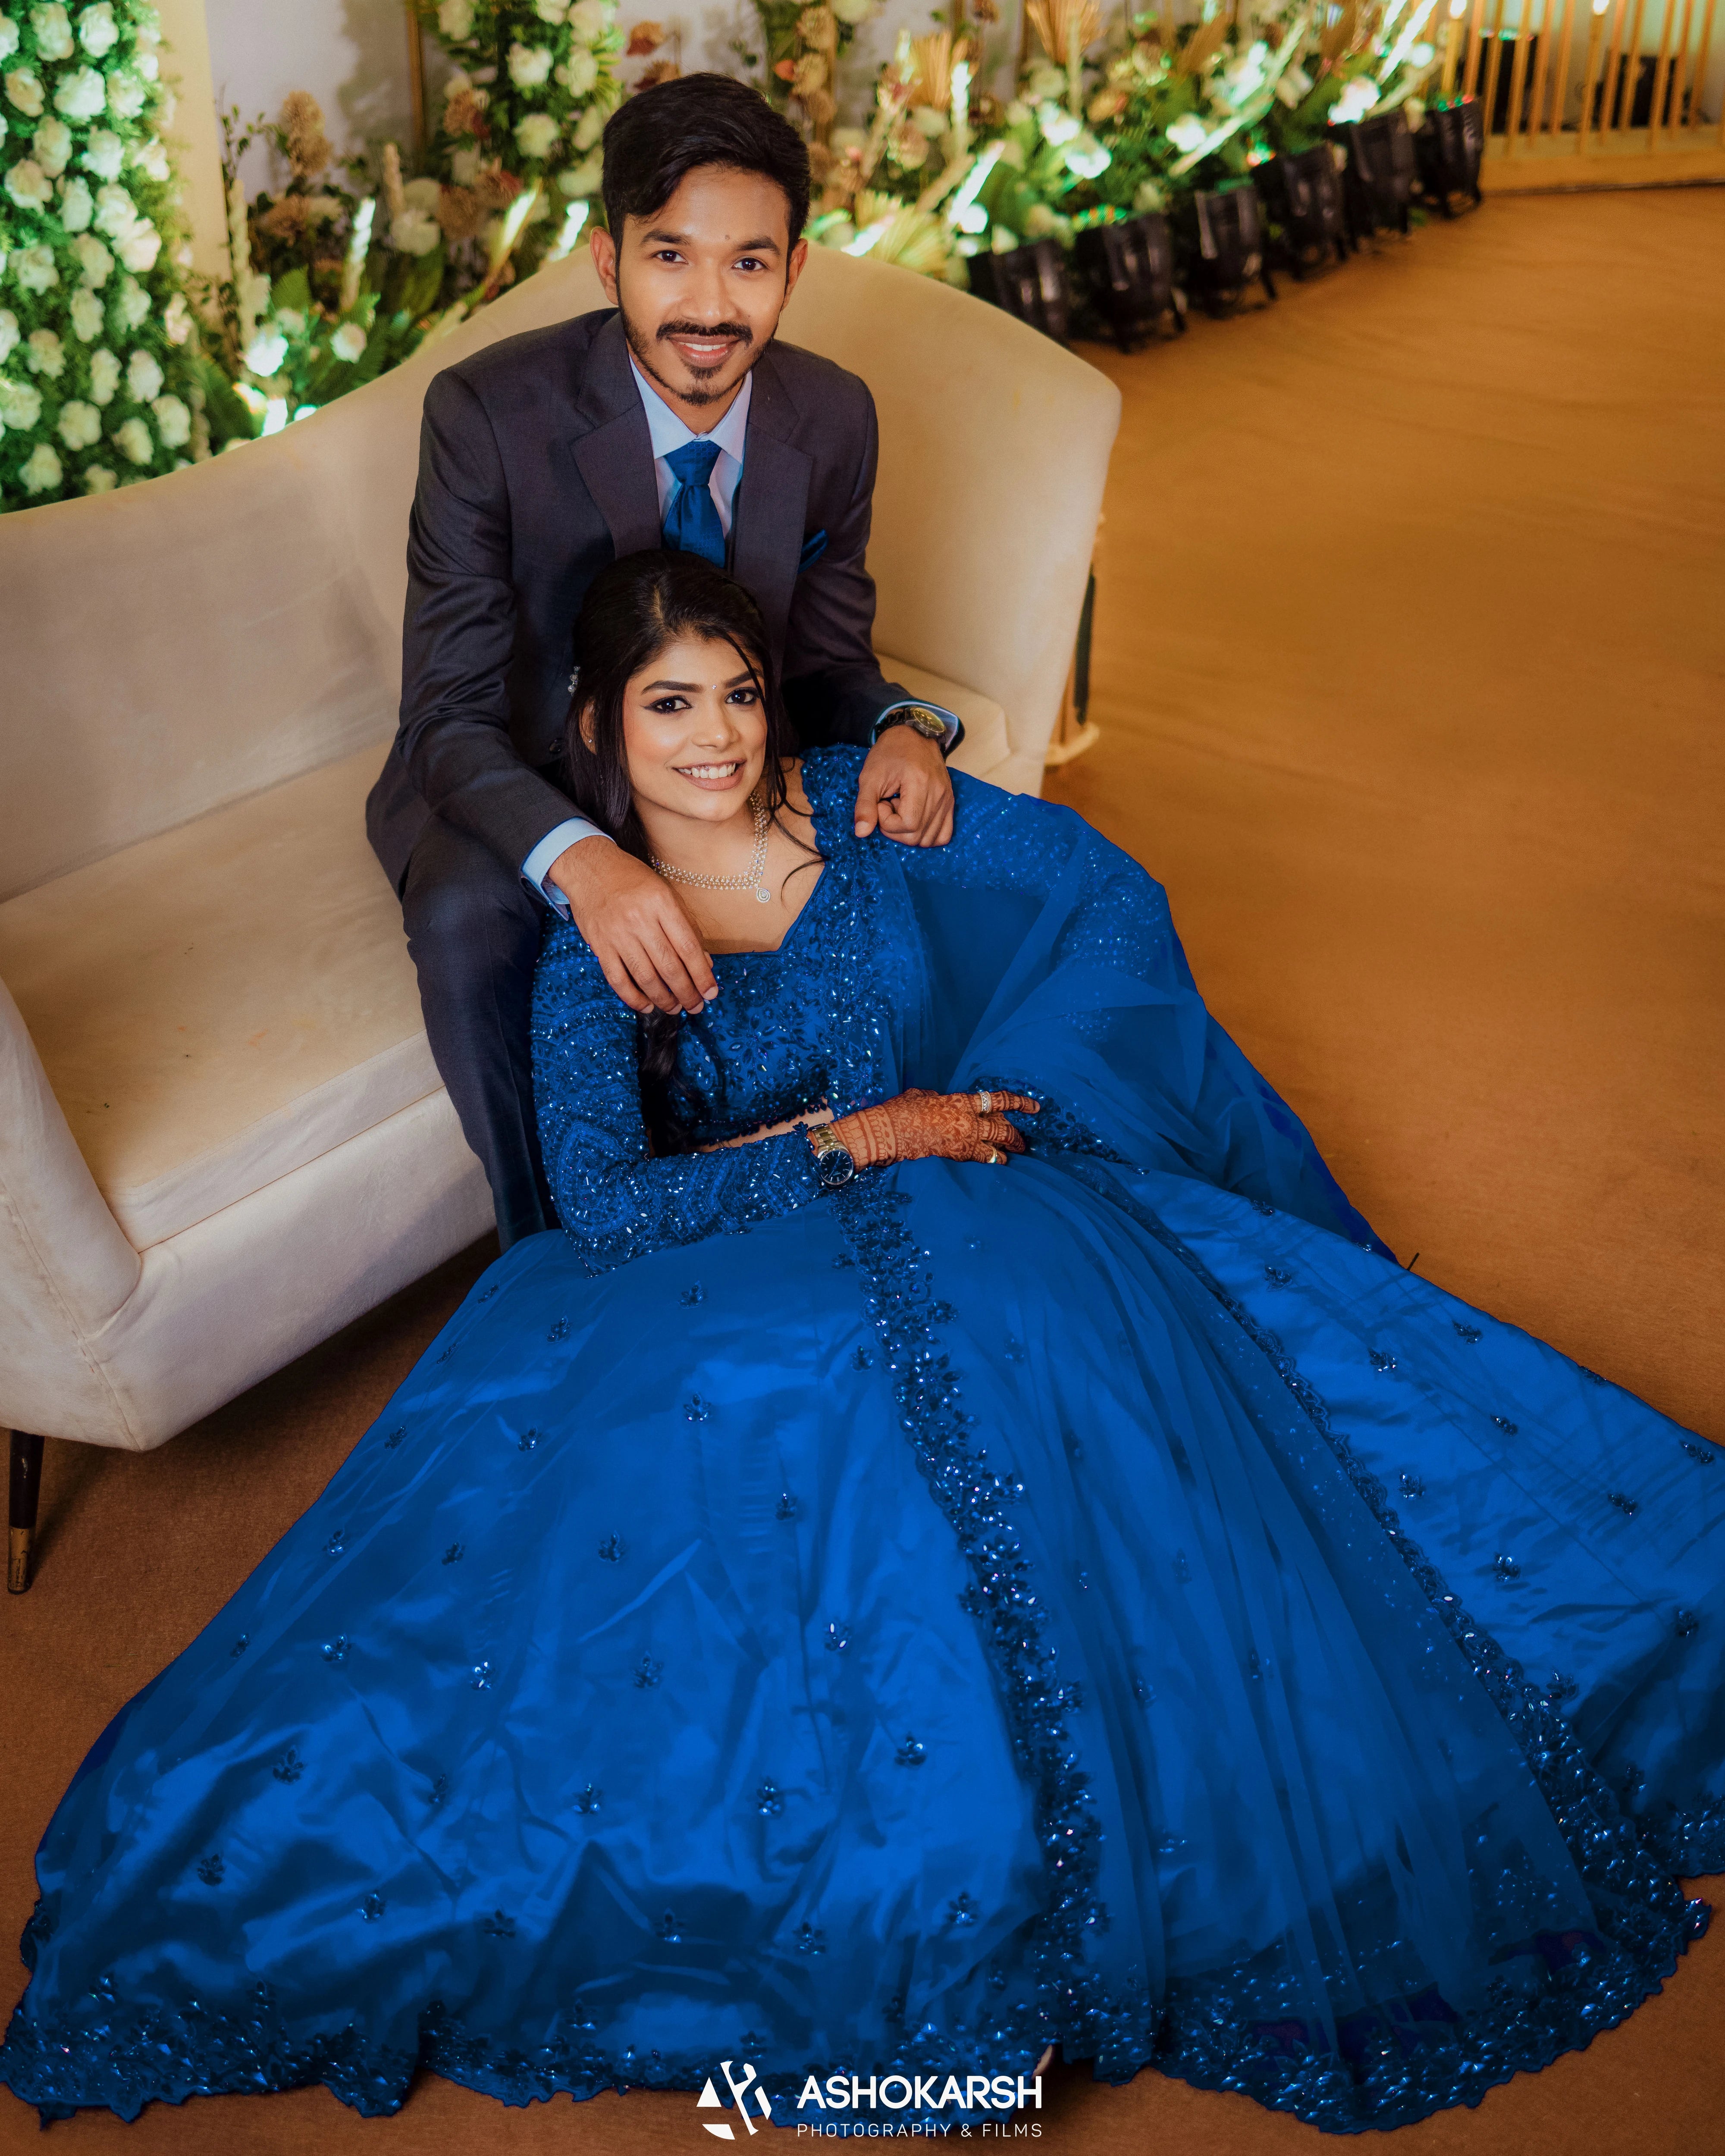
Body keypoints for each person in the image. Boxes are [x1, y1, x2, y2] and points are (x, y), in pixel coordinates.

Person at [5, 554, 1721, 2138]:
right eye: (670, 702)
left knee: (1219, 1438)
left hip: (985, 1213)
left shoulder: (859, 804)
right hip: (745, 1267)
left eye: (739, 691)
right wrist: (857, 1139)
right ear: (600, 729)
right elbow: (603, 1200)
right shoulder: (602, 938)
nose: (717, 734)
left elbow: (1106, 900)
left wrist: (1044, 1092)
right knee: (716, 1594)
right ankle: (923, 1999)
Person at [366, 73, 963, 1250]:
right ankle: (548, 1258)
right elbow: (447, 715)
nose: (709, 304)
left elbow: (828, 660)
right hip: (530, 761)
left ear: (795, 269)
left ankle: (845, 1175)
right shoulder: (486, 415)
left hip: (714, 754)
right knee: (466, 916)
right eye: (670, 257)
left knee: (919, 830)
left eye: (749, 263)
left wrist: (908, 727)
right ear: (608, 263)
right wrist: (587, 861)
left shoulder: (833, 417)